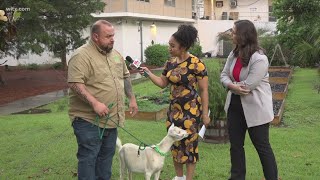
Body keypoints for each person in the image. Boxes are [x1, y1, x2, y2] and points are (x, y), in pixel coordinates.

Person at [67, 20, 138, 180]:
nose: (112, 39)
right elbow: (74, 83)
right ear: (95, 36)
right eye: (108, 36)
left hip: (111, 119)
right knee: (89, 159)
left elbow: (126, 77)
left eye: (113, 35)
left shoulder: (116, 55)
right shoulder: (81, 55)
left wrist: (132, 98)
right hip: (88, 120)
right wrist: (95, 103)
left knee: (106, 160)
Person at [139, 24, 210, 180]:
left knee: (190, 145)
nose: (169, 48)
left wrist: (205, 114)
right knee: (174, 143)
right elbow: (163, 83)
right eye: (169, 45)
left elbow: (204, 90)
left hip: (191, 112)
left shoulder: (197, 64)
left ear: (183, 46)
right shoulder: (170, 63)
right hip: (174, 111)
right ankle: (179, 177)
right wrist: (148, 73)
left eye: (172, 46)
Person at [220, 20, 278, 180]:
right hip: (234, 107)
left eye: (233, 31)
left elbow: (248, 86)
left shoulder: (260, 58)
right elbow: (223, 75)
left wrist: (230, 85)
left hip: (256, 110)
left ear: (243, 35)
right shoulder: (234, 54)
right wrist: (232, 85)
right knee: (236, 147)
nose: (231, 34)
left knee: (262, 147)